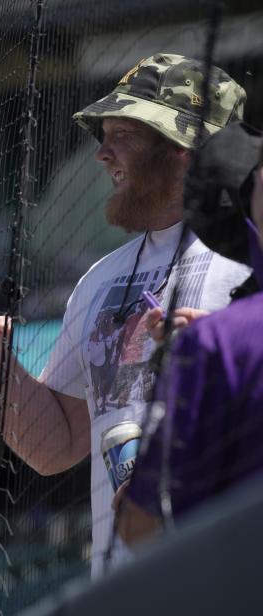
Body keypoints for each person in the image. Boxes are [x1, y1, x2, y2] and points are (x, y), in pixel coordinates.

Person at [0, 53, 251, 577]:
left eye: (125, 136)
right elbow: (55, 446)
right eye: (103, 136)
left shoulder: (251, 254)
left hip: (232, 577)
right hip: (125, 586)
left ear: (182, 150)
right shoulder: (98, 281)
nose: (102, 155)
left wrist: (225, 343)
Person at [116, 121, 263, 546]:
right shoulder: (219, 339)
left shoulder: (217, 344)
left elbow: (141, 527)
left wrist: (220, 344)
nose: (104, 154)